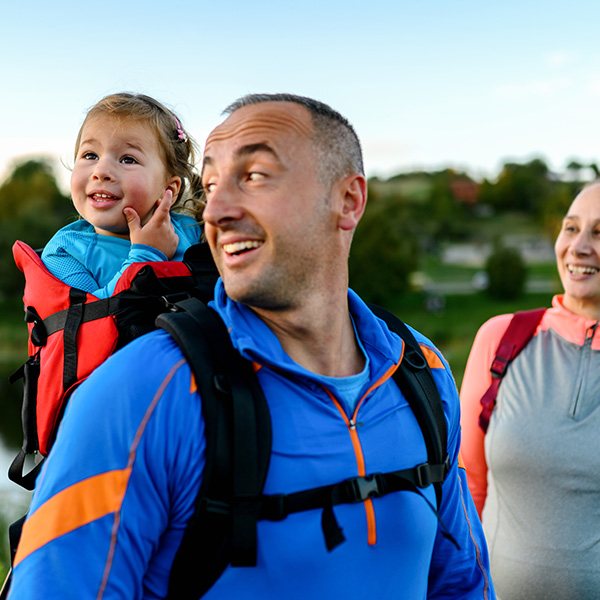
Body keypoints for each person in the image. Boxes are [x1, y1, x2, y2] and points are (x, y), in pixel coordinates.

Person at [8, 94, 494, 599]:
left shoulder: (421, 371)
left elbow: (463, 583)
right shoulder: (134, 390)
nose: (215, 209)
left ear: (347, 200)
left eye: (255, 176)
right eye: (212, 182)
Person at [460, 182, 600, 599]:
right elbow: (467, 488)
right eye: (570, 228)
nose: (578, 247)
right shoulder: (503, 337)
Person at [41, 92, 203, 299]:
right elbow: (93, 320)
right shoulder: (65, 252)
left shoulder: (192, 232)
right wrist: (146, 255)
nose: (101, 171)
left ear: (168, 189)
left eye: (128, 159)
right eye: (90, 155)